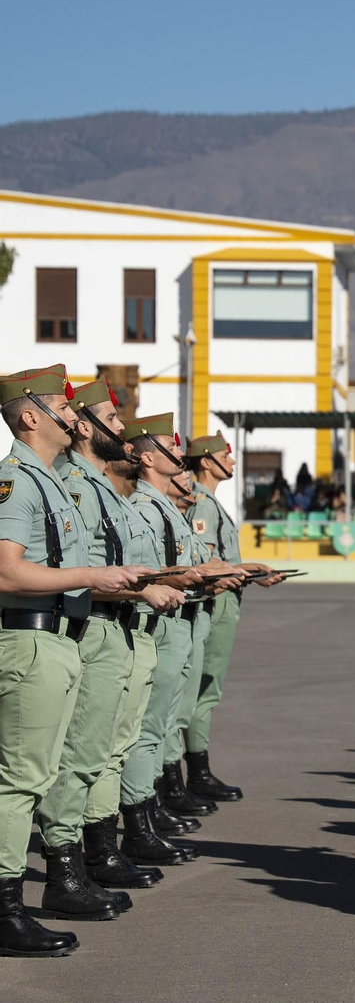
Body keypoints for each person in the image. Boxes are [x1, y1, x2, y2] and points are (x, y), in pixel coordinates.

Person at [0, 367, 150, 956]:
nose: (74, 414)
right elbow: (8, 570)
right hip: (31, 637)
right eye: (61, 405)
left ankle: (39, 890)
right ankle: (8, 909)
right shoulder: (18, 478)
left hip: (59, 638)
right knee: (20, 782)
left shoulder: (50, 481)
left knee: (36, 777)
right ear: (30, 416)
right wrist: (93, 576)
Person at [35, 382, 186, 924]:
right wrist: (142, 589)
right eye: (110, 418)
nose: (121, 427)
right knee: (75, 757)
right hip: (91, 626)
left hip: (120, 626)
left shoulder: (95, 487)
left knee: (105, 750)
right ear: (81, 426)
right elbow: (76, 571)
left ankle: (97, 849)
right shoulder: (69, 485)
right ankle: (70, 865)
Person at [125, 415, 244, 859]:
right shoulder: (150, 506)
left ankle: (152, 807)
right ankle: (144, 813)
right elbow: (155, 571)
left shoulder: (165, 507)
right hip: (170, 617)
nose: (182, 456)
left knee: (169, 715)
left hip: (185, 613)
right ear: (150, 457)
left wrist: (230, 571)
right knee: (154, 723)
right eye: (171, 448)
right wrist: (207, 574)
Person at [183, 433, 282, 803]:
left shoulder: (207, 500)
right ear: (206, 461)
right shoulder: (204, 504)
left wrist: (251, 572)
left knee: (201, 687)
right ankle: (197, 771)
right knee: (205, 688)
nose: (233, 461)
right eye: (226, 455)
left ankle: (192, 771)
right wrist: (246, 569)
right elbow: (209, 566)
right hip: (218, 601)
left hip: (224, 594)